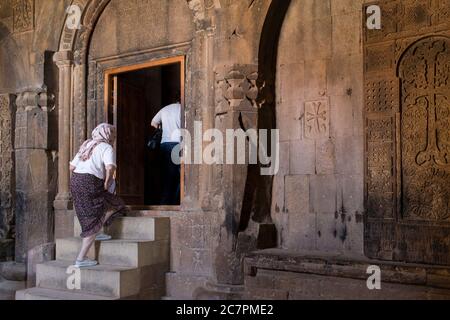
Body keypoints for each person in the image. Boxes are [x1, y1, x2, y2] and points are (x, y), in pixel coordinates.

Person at [69, 123, 127, 268]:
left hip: (76, 181)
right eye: (112, 134)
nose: (113, 137)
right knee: (112, 207)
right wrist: (107, 183)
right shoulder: (106, 147)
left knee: (110, 204)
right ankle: (81, 259)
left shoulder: (87, 144)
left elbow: (71, 167)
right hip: (90, 181)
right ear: (107, 134)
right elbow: (110, 167)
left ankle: (97, 228)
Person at [151, 93, 181, 205]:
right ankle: (174, 202)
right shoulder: (182, 109)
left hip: (165, 144)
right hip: (178, 143)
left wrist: (162, 128)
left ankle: (165, 202)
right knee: (179, 175)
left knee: (167, 175)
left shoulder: (165, 109)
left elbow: (153, 123)